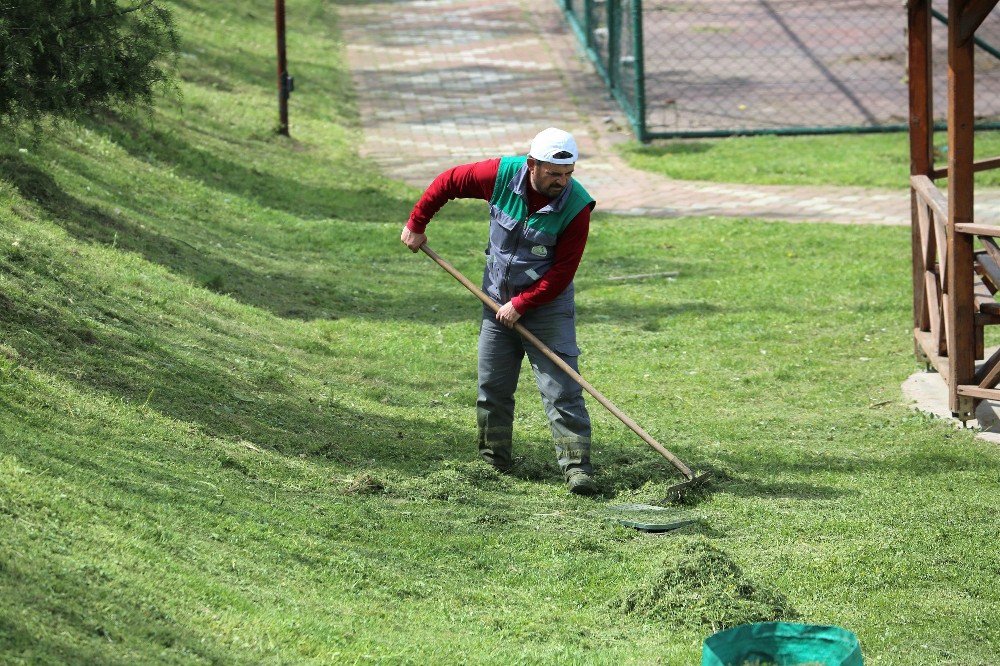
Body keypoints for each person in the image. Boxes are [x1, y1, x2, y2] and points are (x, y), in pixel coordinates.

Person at [400, 127, 598, 496]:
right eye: (554, 174)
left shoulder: (576, 207)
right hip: (495, 301)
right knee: (493, 385)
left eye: (568, 174)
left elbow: (562, 272)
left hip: (547, 308)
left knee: (562, 390)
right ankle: (494, 460)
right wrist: (417, 222)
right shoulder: (501, 175)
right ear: (531, 165)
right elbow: (448, 181)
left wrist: (521, 305)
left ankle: (577, 469)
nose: (562, 182)